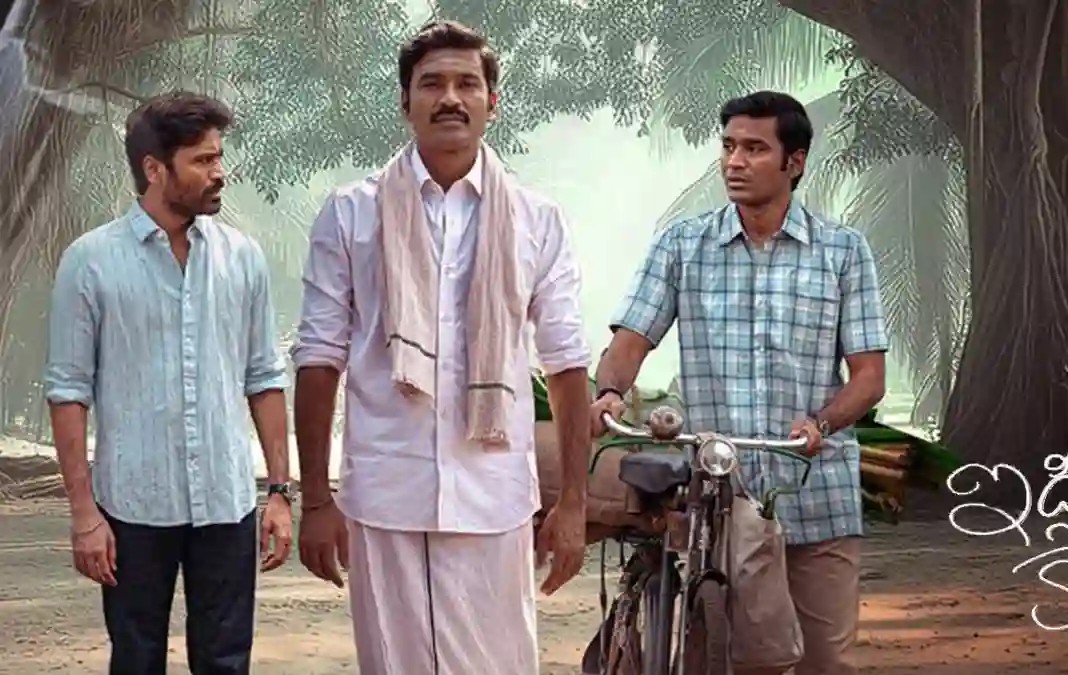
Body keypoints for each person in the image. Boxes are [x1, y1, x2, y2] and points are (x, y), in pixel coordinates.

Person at [290, 19, 593, 674]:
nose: (450, 98)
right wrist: (315, 500)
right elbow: (319, 358)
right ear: (406, 102)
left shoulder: (536, 219)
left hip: (493, 495)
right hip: (387, 494)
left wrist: (573, 502)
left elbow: (567, 364)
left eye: (467, 83)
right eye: (432, 83)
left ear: (492, 101)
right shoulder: (351, 214)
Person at [591, 90, 888, 675]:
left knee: (825, 660)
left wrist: (821, 423)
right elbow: (630, 342)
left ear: (794, 162)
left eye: (754, 148)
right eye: (729, 146)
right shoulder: (683, 245)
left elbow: (869, 378)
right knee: (725, 654)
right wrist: (610, 391)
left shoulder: (843, 252)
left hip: (815, 489)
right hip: (715, 493)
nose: (735, 161)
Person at [42, 91, 294, 675]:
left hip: (226, 503)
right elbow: (69, 391)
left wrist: (280, 492)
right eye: (202, 160)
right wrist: (84, 514)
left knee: (226, 663)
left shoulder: (242, 258)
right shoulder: (91, 261)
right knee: (135, 661)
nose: (219, 172)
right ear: (154, 169)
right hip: (133, 506)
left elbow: (264, 377)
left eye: (219, 156)